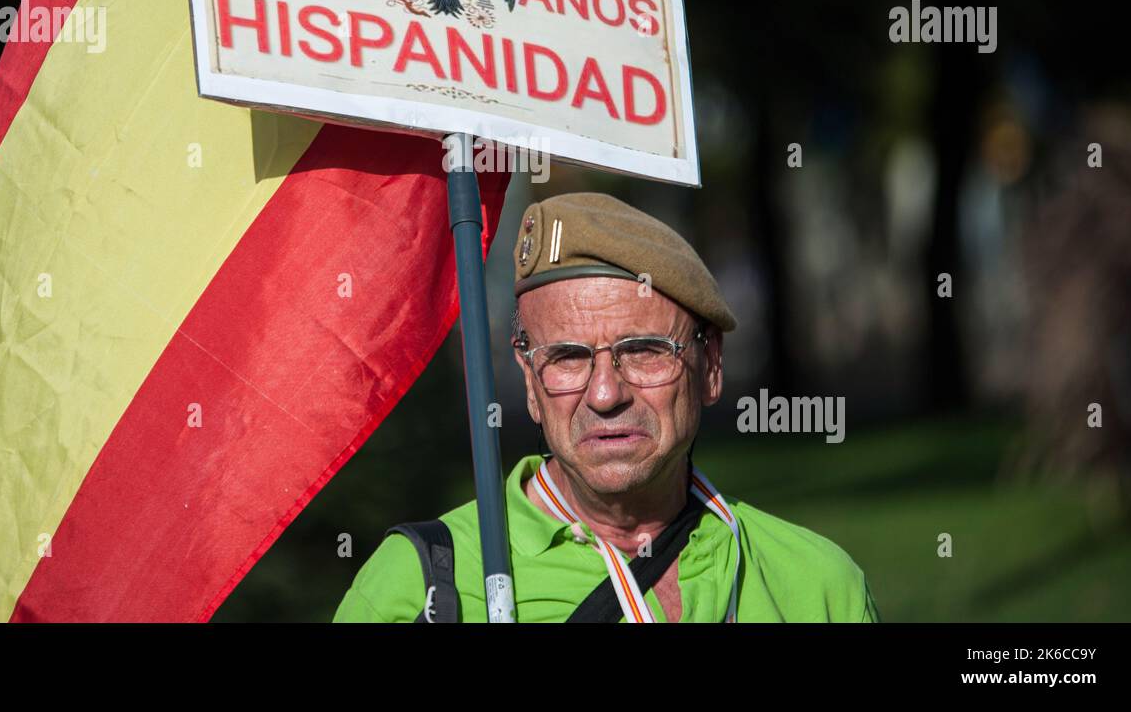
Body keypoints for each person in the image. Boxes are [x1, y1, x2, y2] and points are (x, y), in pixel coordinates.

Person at [333, 191, 880, 622]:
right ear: (530, 380)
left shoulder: (817, 585)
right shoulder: (420, 587)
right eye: (568, 358)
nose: (604, 394)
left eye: (643, 351)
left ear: (710, 364)